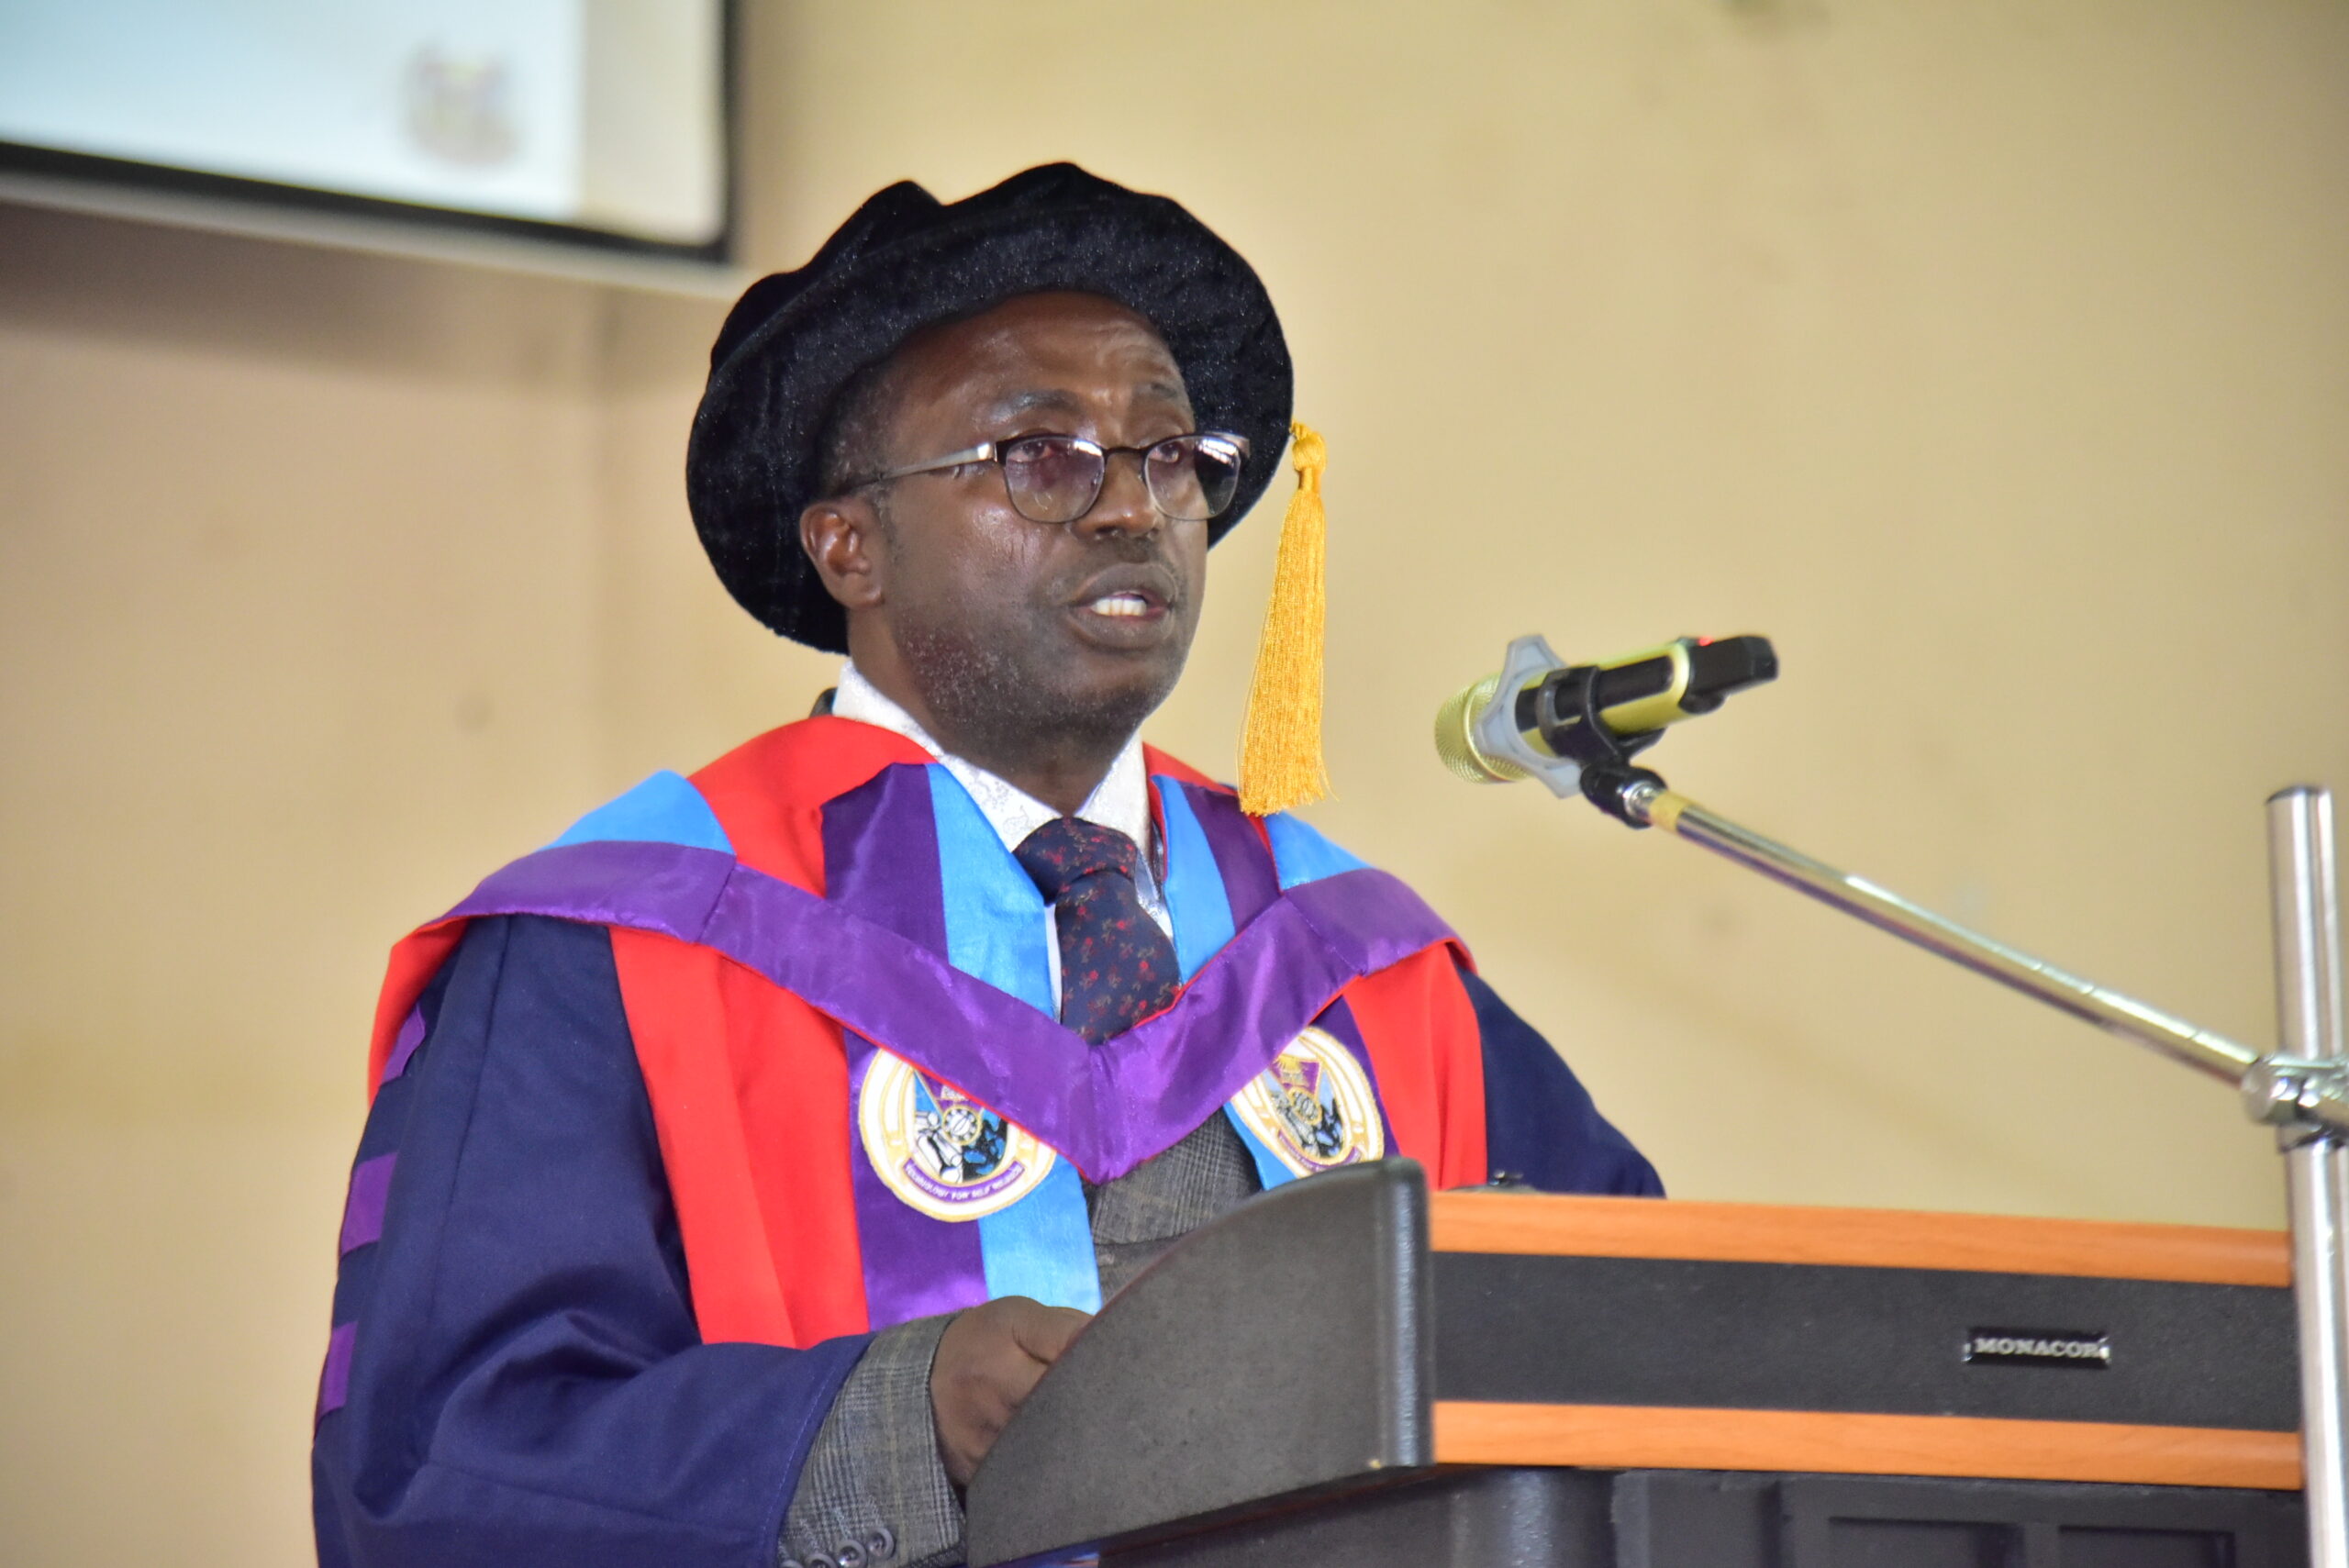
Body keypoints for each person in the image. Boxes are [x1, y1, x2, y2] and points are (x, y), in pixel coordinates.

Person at [310, 164, 1660, 1568]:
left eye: (1169, 454)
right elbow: (440, 1465)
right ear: (851, 544)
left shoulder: (1359, 962)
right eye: (1038, 453)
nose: (1132, 507)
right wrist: (895, 1416)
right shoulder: (623, 941)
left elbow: (1657, 1357)